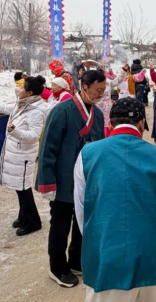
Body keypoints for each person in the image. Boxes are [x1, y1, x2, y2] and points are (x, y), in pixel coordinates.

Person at [74, 97, 156, 301]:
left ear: (110, 124)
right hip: (153, 254)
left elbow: (82, 212)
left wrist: (101, 238)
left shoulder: (87, 154)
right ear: (141, 124)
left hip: (107, 254)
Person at [36, 70, 106, 288]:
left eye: (103, 90)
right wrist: (47, 183)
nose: (101, 94)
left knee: (82, 222)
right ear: (84, 87)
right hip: (64, 179)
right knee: (60, 224)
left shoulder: (98, 115)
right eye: (98, 90)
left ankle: (76, 260)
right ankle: (57, 267)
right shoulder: (62, 111)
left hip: (87, 179)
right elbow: (48, 149)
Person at [0, 75, 49, 235]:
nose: (19, 89)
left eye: (22, 87)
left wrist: (14, 131)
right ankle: (24, 217)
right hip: (17, 153)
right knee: (19, 188)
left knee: (23, 189)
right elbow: (4, 107)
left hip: (23, 155)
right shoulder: (22, 104)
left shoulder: (36, 111)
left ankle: (33, 222)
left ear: (29, 93)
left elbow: (34, 136)